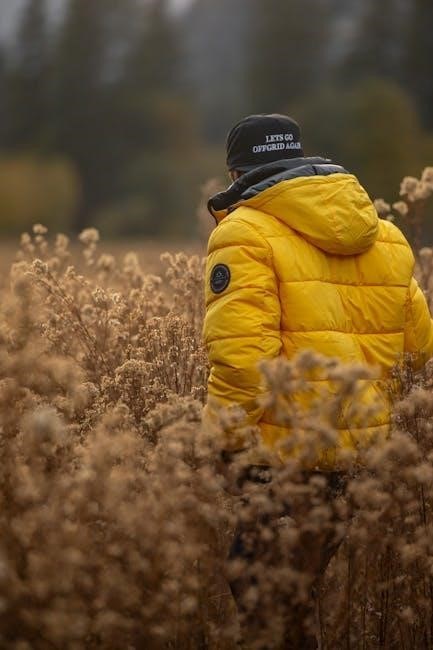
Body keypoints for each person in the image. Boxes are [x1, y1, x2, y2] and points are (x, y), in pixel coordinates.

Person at [202, 114, 433, 647]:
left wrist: (223, 440)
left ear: (237, 172)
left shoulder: (243, 232)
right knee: (297, 593)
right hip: (356, 454)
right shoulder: (387, 236)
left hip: (279, 453)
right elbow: (419, 350)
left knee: (262, 596)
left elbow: (243, 358)